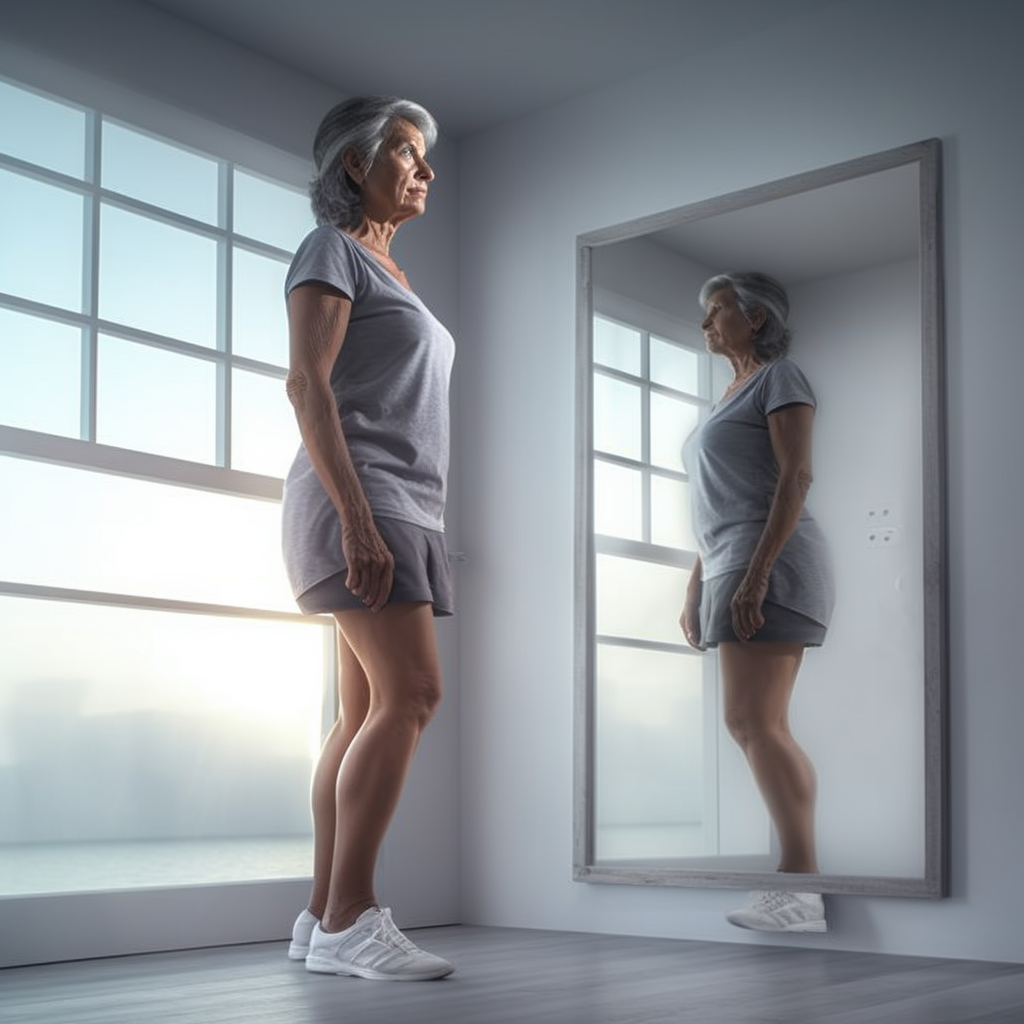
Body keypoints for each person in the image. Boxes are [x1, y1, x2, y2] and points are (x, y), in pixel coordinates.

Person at [280, 95, 455, 980]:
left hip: (402, 507)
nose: (424, 168)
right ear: (355, 165)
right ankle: (352, 914)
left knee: (361, 714)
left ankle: (320, 917)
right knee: (413, 695)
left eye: (426, 156)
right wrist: (357, 518)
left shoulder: (388, 270)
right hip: (365, 501)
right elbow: (307, 384)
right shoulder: (333, 250)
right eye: (404, 150)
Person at [680, 271, 835, 934]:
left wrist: (755, 576)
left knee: (754, 721)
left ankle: (800, 884)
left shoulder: (782, 377)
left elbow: (796, 476)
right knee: (750, 722)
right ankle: (796, 880)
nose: (705, 324)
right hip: (728, 563)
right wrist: (697, 582)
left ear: (758, 320)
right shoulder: (727, 396)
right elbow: (721, 501)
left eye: (716, 312)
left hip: (768, 561)